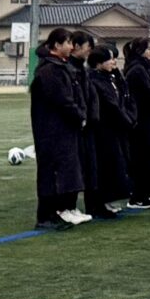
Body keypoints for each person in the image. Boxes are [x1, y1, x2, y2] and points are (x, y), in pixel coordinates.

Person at [30, 27, 88, 229]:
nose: (71, 47)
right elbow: (62, 100)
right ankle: (45, 216)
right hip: (51, 131)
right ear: (56, 45)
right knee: (51, 172)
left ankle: (55, 213)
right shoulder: (49, 70)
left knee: (61, 171)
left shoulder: (60, 67)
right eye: (68, 43)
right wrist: (79, 115)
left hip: (62, 129)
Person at [87, 46, 134, 218]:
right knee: (104, 166)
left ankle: (107, 200)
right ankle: (98, 204)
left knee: (116, 164)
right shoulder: (95, 80)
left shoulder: (111, 78)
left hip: (116, 128)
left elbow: (123, 99)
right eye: (110, 59)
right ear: (98, 63)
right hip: (104, 129)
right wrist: (126, 119)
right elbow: (110, 105)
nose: (114, 62)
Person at [124, 38, 150, 209]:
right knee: (144, 157)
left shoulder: (146, 68)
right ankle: (140, 195)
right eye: (148, 49)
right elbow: (149, 93)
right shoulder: (137, 70)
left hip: (148, 118)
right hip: (142, 119)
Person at [69, 31, 97, 221]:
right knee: (73, 166)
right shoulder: (68, 69)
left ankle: (75, 206)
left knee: (86, 166)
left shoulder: (82, 69)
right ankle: (67, 207)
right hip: (75, 125)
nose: (89, 51)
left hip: (87, 123)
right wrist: (81, 116)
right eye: (88, 47)